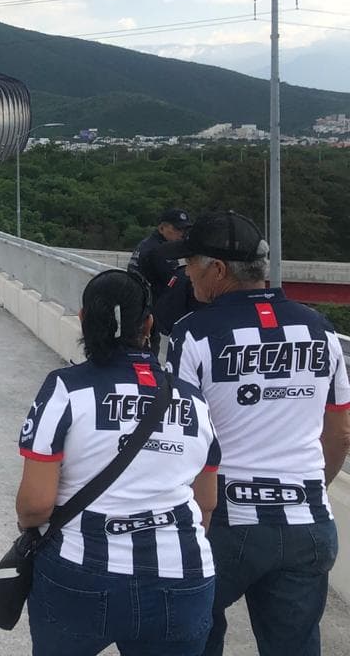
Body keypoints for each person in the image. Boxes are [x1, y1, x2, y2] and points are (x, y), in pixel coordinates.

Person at [164, 212, 350, 656]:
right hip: (307, 517)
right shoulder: (320, 329)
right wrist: (310, 486)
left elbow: (178, 436)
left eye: (190, 264)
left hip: (222, 518)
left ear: (218, 269)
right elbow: (341, 432)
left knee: (192, 637)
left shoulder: (193, 334)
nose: (186, 274)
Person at [17, 268, 221, 656]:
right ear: (148, 325)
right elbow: (206, 504)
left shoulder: (65, 388)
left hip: (81, 575)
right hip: (182, 578)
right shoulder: (194, 400)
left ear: (83, 319)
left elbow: (35, 505)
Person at [127, 207, 192, 292]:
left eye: (185, 230)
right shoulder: (160, 250)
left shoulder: (146, 244)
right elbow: (174, 283)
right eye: (177, 229)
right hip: (152, 297)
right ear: (161, 228)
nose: (182, 234)